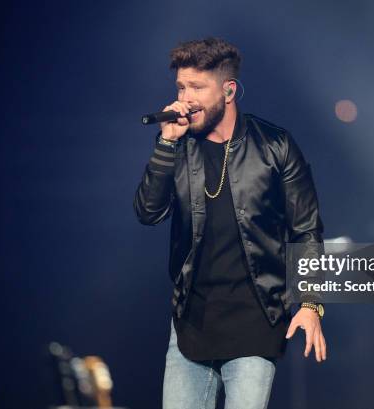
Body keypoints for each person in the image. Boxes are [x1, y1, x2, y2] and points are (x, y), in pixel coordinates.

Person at [134, 37, 326, 409]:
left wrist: (309, 303)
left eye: (197, 87)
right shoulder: (178, 145)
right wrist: (165, 144)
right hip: (191, 325)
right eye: (181, 87)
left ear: (229, 90)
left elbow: (305, 229)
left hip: (255, 324)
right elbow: (148, 212)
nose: (185, 98)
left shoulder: (275, 146)